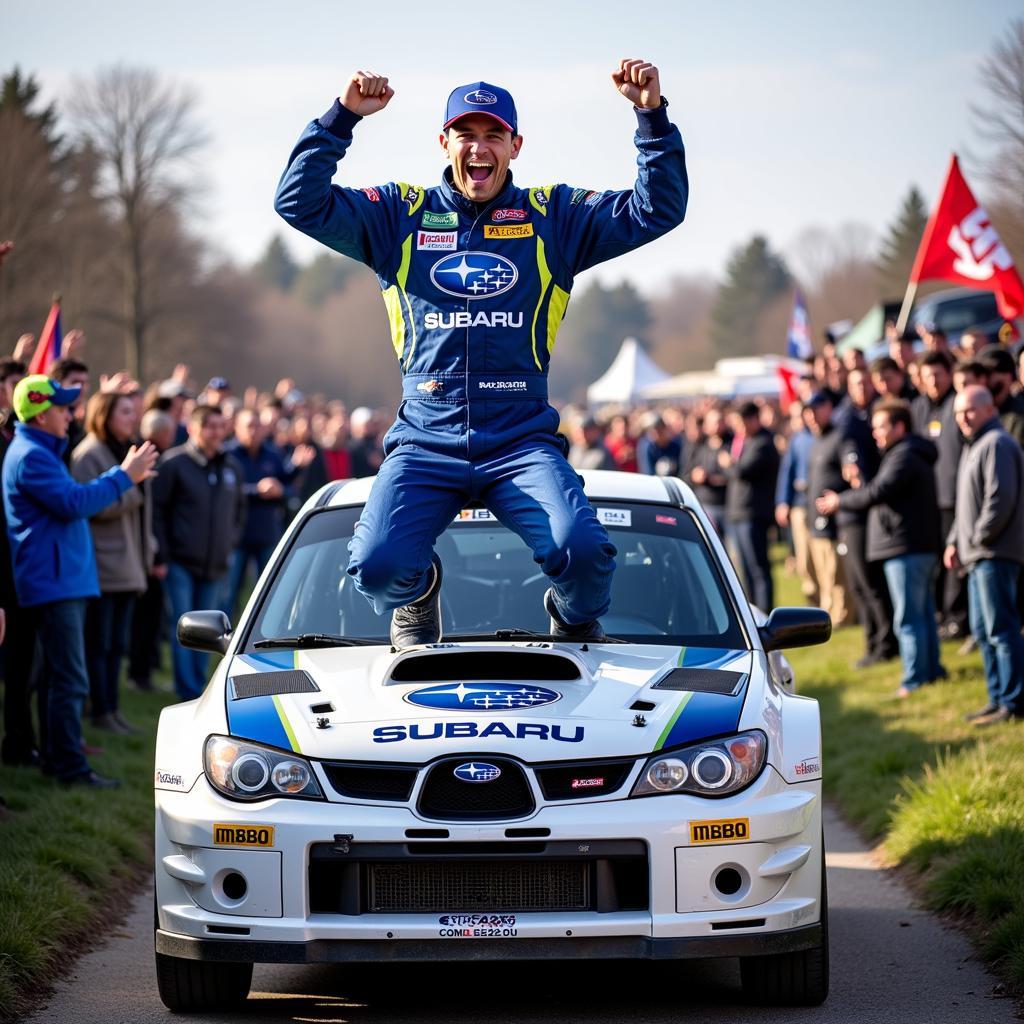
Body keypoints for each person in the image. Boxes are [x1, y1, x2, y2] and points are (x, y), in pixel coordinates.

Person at [275, 61, 687, 643]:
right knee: (375, 566)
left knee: (585, 551)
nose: (479, 147)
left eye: (493, 134)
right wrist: (340, 119)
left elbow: (657, 210)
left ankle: (569, 616)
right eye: (466, 133)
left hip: (520, 439)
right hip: (425, 439)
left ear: (515, 146)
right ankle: (417, 596)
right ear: (444, 142)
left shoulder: (553, 216)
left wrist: (651, 117)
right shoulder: (400, 213)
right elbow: (298, 201)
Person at [3, 375, 157, 785]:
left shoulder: (38, 451)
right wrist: (124, 475)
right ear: (40, 413)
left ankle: (59, 760)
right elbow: (73, 503)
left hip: (59, 580)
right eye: (63, 407)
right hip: (54, 583)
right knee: (69, 679)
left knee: (61, 677)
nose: (71, 414)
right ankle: (70, 768)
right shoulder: (32, 455)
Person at [816, 400, 943, 697]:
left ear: (900, 427)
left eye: (881, 427)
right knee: (922, 613)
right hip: (917, 546)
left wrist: (840, 501)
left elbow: (878, 491)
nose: (875, 434)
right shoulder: (908, 452)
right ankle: (932, 670)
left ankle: (914, 679)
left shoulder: (904, 455)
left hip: (906, 547)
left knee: (909, 618)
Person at [152, 405, 245, 701]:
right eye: (210, 426)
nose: (217, 432)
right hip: (179, 562)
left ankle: (199, 687)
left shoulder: (231, 466)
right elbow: (156, 513)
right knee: (185, 627)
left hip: (216, 564)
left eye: (221, 426)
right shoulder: (174, 464)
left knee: (210, 633)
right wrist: (161, 555)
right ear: (193, 428)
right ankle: (188, 692)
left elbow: (239, 511)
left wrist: (230, 541)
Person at [945, 385, 1024, 726]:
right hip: (976, 554)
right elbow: (965, 508)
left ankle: (1013, 702)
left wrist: (974, 540)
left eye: (970, 410)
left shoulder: (997, 444)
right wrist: (954, 541)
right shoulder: (973, 445)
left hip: (994, 554)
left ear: (989, 409)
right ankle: (996, 699)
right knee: (983, 630)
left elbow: (1000, 500)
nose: (963, 418)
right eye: (958, 412)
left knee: (1002, 629)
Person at [911, 351, 966, 641]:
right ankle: (943, 616)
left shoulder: (959, 404)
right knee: (937, 566)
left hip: (955, 498)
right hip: (928, 501)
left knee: (955, 563)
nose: (933, 380)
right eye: (927, 375)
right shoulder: (918, 408)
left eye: (938, 374)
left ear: (949, 374)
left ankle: (958, 619)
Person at [723, 401, 780, 610]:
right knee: (745, 569)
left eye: (740, 422)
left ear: (752, 419)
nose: (738, 427)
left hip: (754, 514)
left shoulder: (763, 442)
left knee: (759, 569)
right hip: (738, 514)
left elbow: (742, 471)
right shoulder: (745, 441)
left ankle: (764, 612)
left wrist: (728, 464)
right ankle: (752, 611)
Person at [803, 392, 852, 626]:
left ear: (828, 408)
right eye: (808, 412)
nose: (811, 416)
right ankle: (829, 610)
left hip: (834, 517)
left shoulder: (840, 437)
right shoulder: (816, 441)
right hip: (815, 517)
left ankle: (842, 614)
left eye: (816, 410)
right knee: (822, 570)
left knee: (835, 570)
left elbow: (850, 471)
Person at [774, 401, 818, 605]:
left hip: (819, 502)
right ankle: (812, 597)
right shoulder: (796, 439)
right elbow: (787, 472)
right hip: (799, 503)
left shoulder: (820, 436)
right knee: (804, 557)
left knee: (823, 556)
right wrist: (782, 502)